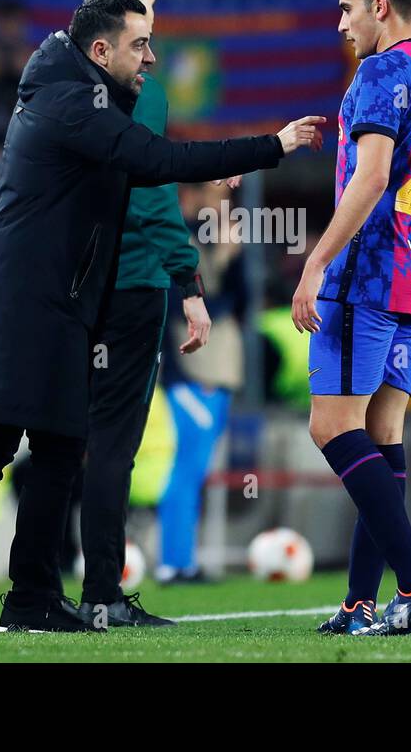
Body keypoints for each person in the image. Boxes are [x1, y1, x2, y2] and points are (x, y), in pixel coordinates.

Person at [0, 0, 322, 634]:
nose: (152, 56)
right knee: (14, 444)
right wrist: (273, 144)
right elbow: (160, 162)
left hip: (39, 295)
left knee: (38, 444)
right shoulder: (77, 104)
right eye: (140, 44)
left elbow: (149, 171)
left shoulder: (70, 92)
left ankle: (11, 594)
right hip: (31, 301)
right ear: (100, 51)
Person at [291, 0, 411, 636]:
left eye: (346, 7)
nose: (340, 24)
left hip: (368, 271)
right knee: (381, 431)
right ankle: (361, 603)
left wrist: (314, 263)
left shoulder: (376, 73)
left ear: (381, 6)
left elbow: (370, 180)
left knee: (330, 425)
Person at [76, 0, 211, 627]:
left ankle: (36, 588)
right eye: (149, 11)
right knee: (112, 444)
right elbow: (151, 197)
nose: (154, 31)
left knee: (59, 441)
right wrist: (188, 281)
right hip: (131, 285)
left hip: (65, 289)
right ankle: (103, 592)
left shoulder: (54, 80)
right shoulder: (141, 82)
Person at [156, 183, 248, 584]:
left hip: (219, 367)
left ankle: (183, 560)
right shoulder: (183, 241)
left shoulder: (221, 242)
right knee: (186, 466)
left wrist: (232, 256)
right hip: (192, 368)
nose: (220, 206)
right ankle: (173, 561)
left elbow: (239, 299)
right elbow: (188, 299)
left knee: (196, 468)